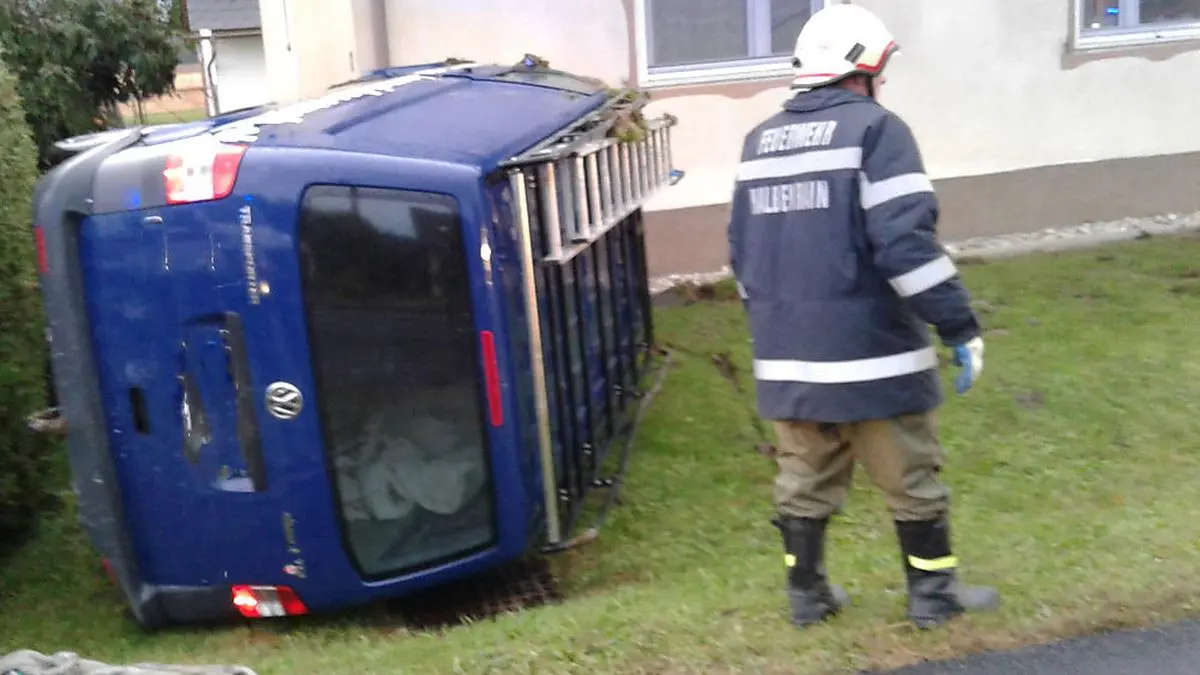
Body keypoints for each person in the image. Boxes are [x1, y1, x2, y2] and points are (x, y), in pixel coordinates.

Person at [726, 4, 1000, 630]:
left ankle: (807, 596)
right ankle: (933, 598)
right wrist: (957, 325)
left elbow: (742, 255)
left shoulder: (758, 141)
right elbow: (906, 246)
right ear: (864, 69)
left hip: (789, 360)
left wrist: (776, 330)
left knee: (803, 479)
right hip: (873, 356)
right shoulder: (878, 131)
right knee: (911, 479)